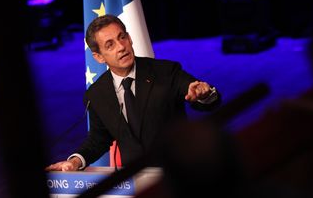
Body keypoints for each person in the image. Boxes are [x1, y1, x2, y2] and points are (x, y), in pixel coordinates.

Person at [45, 14, 221, 171]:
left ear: (130, 38)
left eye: (122, 37)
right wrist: (76, 161)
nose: (121, 47)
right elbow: (99, 139)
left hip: (177, 174)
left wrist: (204, 95)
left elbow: (203, 98)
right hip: (134, 181)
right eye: (110, 44)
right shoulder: (96, 94)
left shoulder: (165, 72)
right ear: (98, 57)